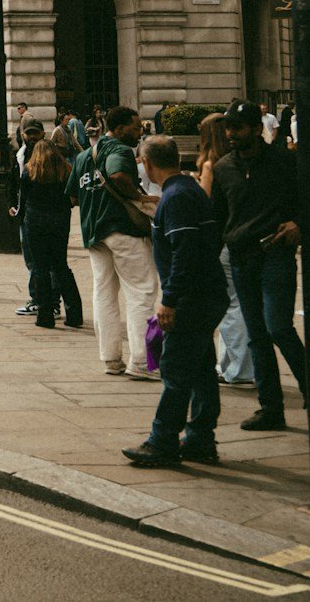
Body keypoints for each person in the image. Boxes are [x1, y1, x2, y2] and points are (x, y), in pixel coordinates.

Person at [122, 135, 231, 467]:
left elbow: (185, 251)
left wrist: (169, 299)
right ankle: (199, 438)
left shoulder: (177, 197)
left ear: (149, 163)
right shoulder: (187, 190)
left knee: (176, 370)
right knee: (200, 369)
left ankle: (163, 441)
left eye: (142, 162)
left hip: (191, 297)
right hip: (205, 292)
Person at [213, 99, 305, 430]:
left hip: (275, 253)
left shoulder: (284, 160)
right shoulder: (224, 167)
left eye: (237, 128)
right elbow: (218, 217)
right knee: (256, 335)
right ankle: (271, 408)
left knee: (277, 326)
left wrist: (297, 223)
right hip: (241, 257)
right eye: (228, 128)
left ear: (256, 129)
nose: (231, 133)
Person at [67, 106, 161, 379]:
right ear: (118, 129)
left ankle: (110, 358)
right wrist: (139, 198)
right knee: (140, 292)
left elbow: (73, 196)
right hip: (122, 228)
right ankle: (142, 363)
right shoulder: (119, 150)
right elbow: (118, 175)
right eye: (135, 127)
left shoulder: (84, 156)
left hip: (93, 232)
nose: (140, 131)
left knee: (104, 294)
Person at [196, 113, 253, 387]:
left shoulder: (211, 165)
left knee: (231, 305)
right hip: (240, 239)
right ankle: (231, 365)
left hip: (222, 241)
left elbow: (207, 208)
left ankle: (239, 369)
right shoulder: (238, 161)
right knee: (238, 303)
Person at [13, 132, 82, 329]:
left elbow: (23, 201)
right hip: (60, 220)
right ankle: (74, 313)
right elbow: (72, 198)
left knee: (40, 267)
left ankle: (45, 314)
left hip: (35, 221)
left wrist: (19, 216)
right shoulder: (65, 171)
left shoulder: (29, 172)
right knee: (61, 265)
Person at [12, 118, 47, 317]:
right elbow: (14, 182)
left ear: (43, 133)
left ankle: (40, 300)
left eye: (35, 133)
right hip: (28, 213)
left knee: (37, 261)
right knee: (35, 260)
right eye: (29, 133)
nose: (32, 137)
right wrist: (13, 204)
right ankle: (50, 302)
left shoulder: (50, 156)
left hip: (37, 214)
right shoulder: (20, 154)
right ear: (23, 134)